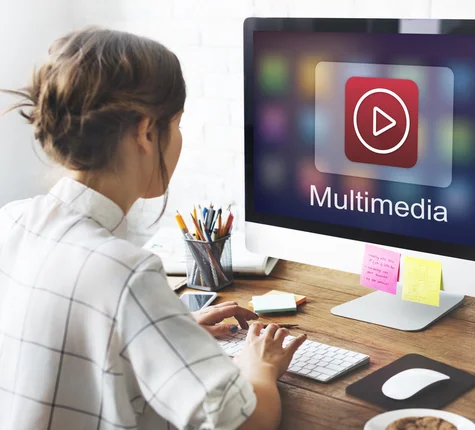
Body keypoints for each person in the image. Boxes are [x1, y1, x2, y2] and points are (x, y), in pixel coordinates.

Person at [0, 27, 306, 430]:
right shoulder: (126, 272)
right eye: (176, 124)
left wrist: (165, 330)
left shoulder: (11, 221)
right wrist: (259, 366)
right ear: (146, 132)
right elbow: (246, 421)